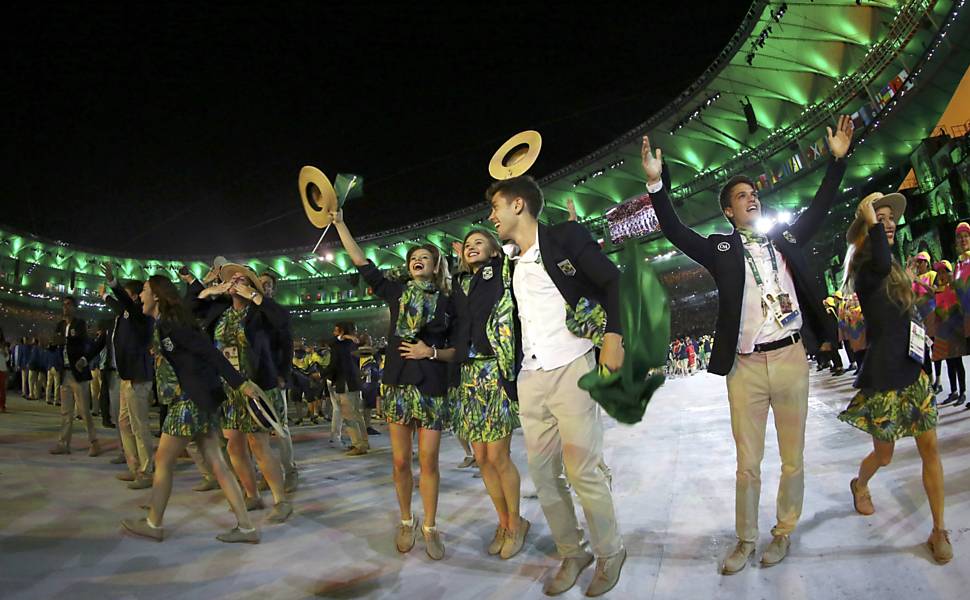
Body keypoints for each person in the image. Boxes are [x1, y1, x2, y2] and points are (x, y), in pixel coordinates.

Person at [641, 115, 854, 574]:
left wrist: (836, 161)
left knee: (793, 458)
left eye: (753, 193)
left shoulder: (785, 239)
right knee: (748, 463)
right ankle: (744, 539)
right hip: (746, 367)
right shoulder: (721, 250)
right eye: (741, 196)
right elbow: (678, 233)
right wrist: (657, 188)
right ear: (729, 213)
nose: (751, 197)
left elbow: (820, 206)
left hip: (792, 355)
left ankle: (783, 531)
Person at [487, 175, 626, 597]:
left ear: (518, 205)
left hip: (573, 366)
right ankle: (573, 551)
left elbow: (614, 281)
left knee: (582, 469)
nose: (491, 216)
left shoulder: (564, 237)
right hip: (530, 377)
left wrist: (615, 338)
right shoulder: (504, 263)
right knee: (545, 477)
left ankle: (610, 552)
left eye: (495, 206)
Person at [333, 207, 452, 561]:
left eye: (425, 257)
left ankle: (430, 525)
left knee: (428, 462)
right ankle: (406, 520)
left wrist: (429, 351)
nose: (418, 260)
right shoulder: (397, 293)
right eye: (414, 258)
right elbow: (362, 263)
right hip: (398, 384)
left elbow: (457, 346)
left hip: (431, 384)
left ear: (436, 265)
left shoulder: (448, 300)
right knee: (401, 462)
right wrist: (340, 223)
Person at [401, 229, 528, 559]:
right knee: (483, 458)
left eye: (479, 243)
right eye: (468, 245)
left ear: (493, 249)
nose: (472, 247)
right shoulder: (458, 286)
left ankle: (516, 523)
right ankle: (503, 522)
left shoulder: (503, 272)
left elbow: (518, 252)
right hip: (466, 378)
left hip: (494, 372)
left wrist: (507, 250)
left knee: (499, 456)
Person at [839, 192, 952, 564]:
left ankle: (938, 530)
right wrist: (868, 222)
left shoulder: (896, 265)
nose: (887, 222)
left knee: (929, 450)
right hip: (883, 376)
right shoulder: (865, 265)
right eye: (879, 216)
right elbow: (882, 261)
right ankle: (860, 484)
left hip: (912, 371)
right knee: (884, 456)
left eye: (890, 217)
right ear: (866, 223)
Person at [120, 275, 263, 543]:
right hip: (202, 399)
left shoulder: (172, 325)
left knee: (163, 461)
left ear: (158, 296)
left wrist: (240, 383)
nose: (140, 296)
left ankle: (154, 523)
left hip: (189, 401)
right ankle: (246, 528)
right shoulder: (167, 323)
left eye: (145, 291)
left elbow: (210, 352)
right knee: (218, 463)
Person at [189, 264, 293, 523]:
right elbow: (188, 310)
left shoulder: (260, 312)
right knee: (234, 444)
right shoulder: (220, 311)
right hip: (228, 387)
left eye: (241, 279)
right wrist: (211, 289)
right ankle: (252, 494)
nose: (234, 281)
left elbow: (283, 321)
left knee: (258, 444)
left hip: (255, 386)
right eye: (232, 279)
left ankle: (281, 500)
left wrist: (255, 296)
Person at [100, 264, 157, 489]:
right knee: (124, 423)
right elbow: (117, 304)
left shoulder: (141, 316)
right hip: (126, 377)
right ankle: (134, 468)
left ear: (131, 296)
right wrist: (105, 295)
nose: (142, 295)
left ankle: (146, 471)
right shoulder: (125, 314)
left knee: (139, 425)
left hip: (138, 378)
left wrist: (113, 284)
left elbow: (122, 302)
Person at [49, 296, 103, 456]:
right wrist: (52, 344)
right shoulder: (59, 325)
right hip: (64, 372)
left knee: (84, 411)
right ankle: (63, 443)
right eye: (63, 304)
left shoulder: (79, 324)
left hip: (78, 373)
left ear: (74, 307)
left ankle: (94, 442)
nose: (65, 307)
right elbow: (55, 346)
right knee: (65, 411)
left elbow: (83, 342)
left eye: (68, 305)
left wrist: (65, 341)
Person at [325, 321, 370, 456]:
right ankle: (364, 442)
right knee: (356, 414)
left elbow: (334, 363)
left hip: (345, 382)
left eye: (336, 331)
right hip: (353, 382)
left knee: (349, 415)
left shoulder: (340, 346)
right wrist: (346, 337)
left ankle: (358, 445)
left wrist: (322, 375)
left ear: (342, 331)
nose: (334, 333)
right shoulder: (351, 344)